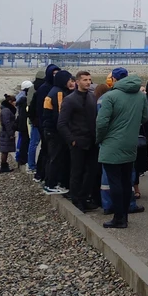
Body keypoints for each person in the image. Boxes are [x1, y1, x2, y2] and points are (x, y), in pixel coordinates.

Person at [95, 67, 148, 229]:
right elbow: (145, 117)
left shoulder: (109, 97)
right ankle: (124, 215)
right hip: (131, 144)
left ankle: (118, 218)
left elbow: (102, 122)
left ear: (115, 80)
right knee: (126, 181)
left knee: (114, 182)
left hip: (111, 144)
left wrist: (99, 139)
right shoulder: (140, 96)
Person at [57, 71, 99, 212]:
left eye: (89, 79)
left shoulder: (92, 98)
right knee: (77, 172)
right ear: (77, 81)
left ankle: (84, 197)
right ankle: (76, 200)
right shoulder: (70, 100)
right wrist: (72, 140)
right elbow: (62, 123)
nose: (88, 82)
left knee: (91, 172)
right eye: (85, 80)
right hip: (78, 141)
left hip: (92, 141)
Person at [41, 69, 74, 195]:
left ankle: (51, 183)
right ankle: (51, 185)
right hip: (54, 131)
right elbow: (60, 115)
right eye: (69, 80)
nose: (71, 83)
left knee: (53, 157)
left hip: (50, 129)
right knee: (55, 158)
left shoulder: (54, 90)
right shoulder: (58, 93)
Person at [33, 64, 60, 183]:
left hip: (52, 125)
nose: (55, 76)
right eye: (53, 73)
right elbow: (40, 109)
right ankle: (41, 174)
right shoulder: (44, 88)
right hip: (45, 124)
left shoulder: (57, 87)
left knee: (48, 151)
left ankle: (43, 174)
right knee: (46, 151)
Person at [26, 68, 47, 176]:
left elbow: (29, 105)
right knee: (36, 144)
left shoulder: (32, 88)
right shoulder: (41, 89)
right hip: (38, 120)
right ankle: (32, 165)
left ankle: (31, 165)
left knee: (33, 143)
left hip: (34, 120)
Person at [15, 80, 32, 170]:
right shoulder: (25, 99)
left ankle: (19, 158)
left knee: (21, 141)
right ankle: (22, 159)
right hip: (25, 123)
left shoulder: (19, 97)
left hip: (21, 122)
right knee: (25, 142)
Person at [0, 93, 17, 173]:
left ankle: (4, 166)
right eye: (13, 102)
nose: (15, 103)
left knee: (5, 149)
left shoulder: (6, 109)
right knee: (5, 150)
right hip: (6, 132)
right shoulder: (6, 110)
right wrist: (10, 133)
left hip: (5, 131)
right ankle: (3, 166)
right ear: (10, 101)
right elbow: (7, 122)